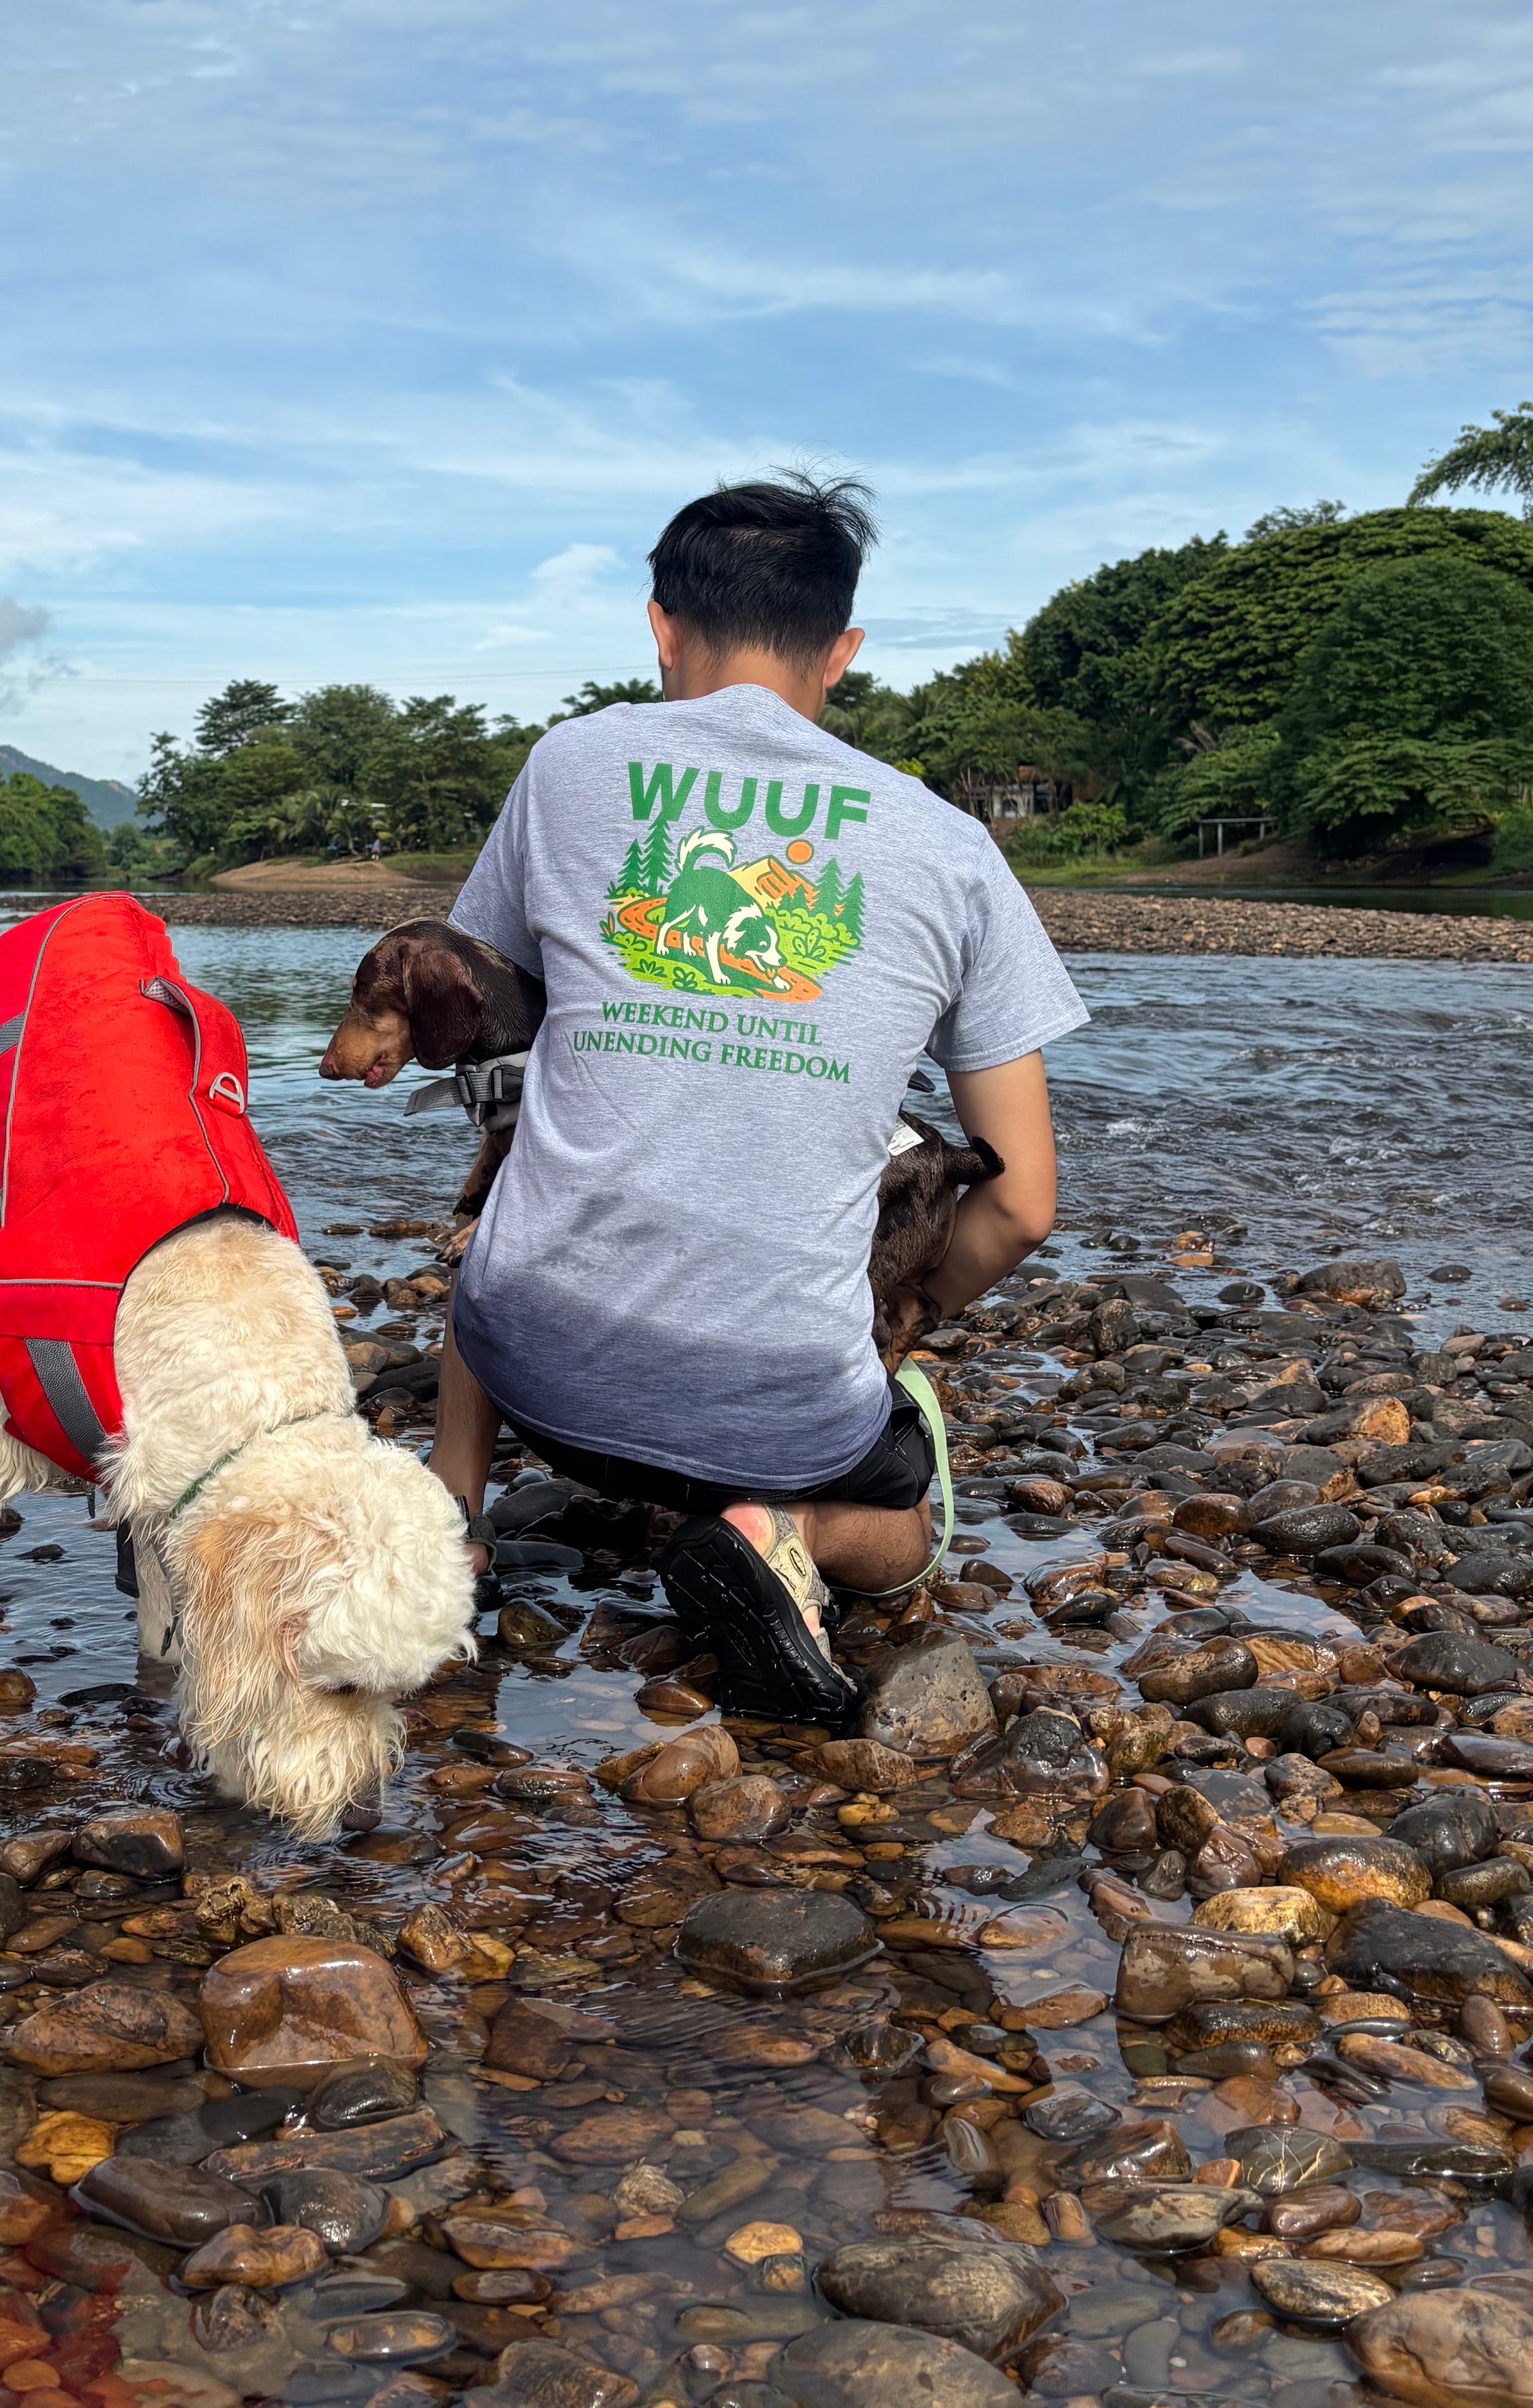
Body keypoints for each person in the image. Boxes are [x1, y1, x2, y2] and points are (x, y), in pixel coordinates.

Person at [429, 472, 1086, 1727]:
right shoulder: (949, 846)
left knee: (524, 1161)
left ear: (662, 627)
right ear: (841, 653)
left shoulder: (570, 765)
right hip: (780, 1412)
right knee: (909, 1531)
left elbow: (483, 1019)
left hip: (535, 1373)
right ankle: (780, 1527)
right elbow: (1026, 1204)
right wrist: (894, 1313)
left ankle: (451, 1517)